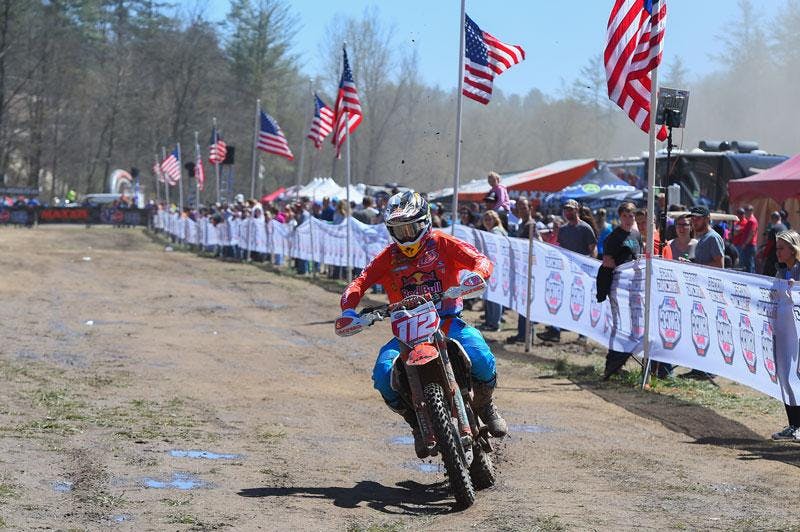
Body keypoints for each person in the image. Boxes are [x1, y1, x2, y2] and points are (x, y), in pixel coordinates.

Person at [335, 191, 507, 458]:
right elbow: (360, 281)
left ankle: (486, 405)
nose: (405, 235)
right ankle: (416, 424)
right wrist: (348, 309)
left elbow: (479, 259)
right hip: (407, 330)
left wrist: (477, 275)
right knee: (382, 375)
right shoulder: (388, 256)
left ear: (424, 221)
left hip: (447, 320)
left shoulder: (441, 243)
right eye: (398, 229)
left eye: (410, 227)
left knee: (480, 356)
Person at [537, 199, 597, 343]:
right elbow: (561, 250)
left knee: (580, 302)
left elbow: (592, 250)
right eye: (566, 209)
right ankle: (555, 331)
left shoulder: (585, 228)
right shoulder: (563, 230)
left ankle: (583, 335)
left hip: (582, 273)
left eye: (571, 209)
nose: (568, 212)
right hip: (566, 272)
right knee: (559, 299)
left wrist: (589, 269)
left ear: (577, 210)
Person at [596, 201, 641, 379]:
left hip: (633, 287)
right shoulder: (614, 237)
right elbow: (607, 261)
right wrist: (625, 269)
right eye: (625, 216)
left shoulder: (636, 234)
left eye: (631, 216)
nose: (629, 219)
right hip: (617, 285)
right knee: (619, 324)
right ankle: (611, 363)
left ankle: (620, 361)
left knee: (631, 325)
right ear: (620, 217)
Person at [771, 230, 800, 441]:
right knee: (785, 376)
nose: (777, 252)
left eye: (781, 248)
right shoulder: (781, 272)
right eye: (777, 248)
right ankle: (793, 425)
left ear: (793, 249)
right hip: (784, 333)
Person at [506, 197, 540, 344]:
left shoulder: (531, 225)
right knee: (523, 302)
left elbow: (538, 245)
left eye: (524, 207)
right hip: (523, 268)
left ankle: (526, 335)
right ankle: (523, 333)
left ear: (530, 208)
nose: (522, 209)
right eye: (519, 207)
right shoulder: (522, 224)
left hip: (530, 269)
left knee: (527, 303)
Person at [480, 210, 506, 332]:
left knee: (495, 297)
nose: (487, 222)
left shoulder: (496, 232)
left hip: (496, 267)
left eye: (490, 219)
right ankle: (490, 321)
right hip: (492, 266)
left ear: (495, 220)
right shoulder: (492, 231)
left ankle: (494, 323)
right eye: (486, 220)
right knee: (490, 295)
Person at [760, 211, 787, 277]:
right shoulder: (785, 228)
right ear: (780, 218)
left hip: (773, 256)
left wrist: (764, 255)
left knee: (767, 275)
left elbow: (770, 244)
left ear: (773, 219)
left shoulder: (774, 229)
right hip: (784, 256)